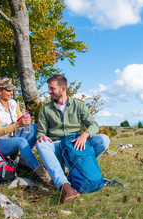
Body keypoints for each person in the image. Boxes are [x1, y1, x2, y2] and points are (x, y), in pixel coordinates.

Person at [36, 75, 110, 204]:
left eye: (52, 88)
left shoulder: (78, 105)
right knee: (41, 145)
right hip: (57, 145)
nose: (49, 91)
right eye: (49, 88)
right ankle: (65, 186)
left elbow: (94, 125)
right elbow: (41, 131)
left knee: (103, 139)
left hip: (75, 144)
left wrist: (84, 134)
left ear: (63, 89)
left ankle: (81, 169)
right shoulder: (45, 109)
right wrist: (41, 136)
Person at [0, 77, 53, 187]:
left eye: (11, 90)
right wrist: (17, 125)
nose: (11, 92)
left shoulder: (12, 103)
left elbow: (20, 119)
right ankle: (42, 175)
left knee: (34, 127)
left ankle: (22, 159)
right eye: (8, 90)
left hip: (11, 139)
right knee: (21, 141)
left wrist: (27, 121)